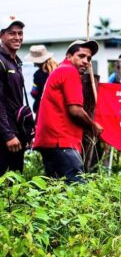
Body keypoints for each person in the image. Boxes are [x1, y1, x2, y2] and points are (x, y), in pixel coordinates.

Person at [33, 40, 104, 183]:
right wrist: (93, 126)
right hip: (62, 141)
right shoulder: (69, 71)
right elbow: (75, 111)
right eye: (81, 56)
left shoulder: (59, 70)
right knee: (78, 188)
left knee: (56, 191)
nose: (86, 61)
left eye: (89, 58)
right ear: (69, 56)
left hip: (50, 141)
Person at [0, 16, 28, 175]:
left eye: (20, 33)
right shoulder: (1, 61)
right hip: (5, 135)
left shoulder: (16, 62)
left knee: (16, 182)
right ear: (1, 35)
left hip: (17, 134)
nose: (17, 37)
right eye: (12, 33)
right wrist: (8, 134)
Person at [24, 45, 58, 114]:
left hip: (42, 109)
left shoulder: (38, 74)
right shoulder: (58, 69)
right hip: (56, 107)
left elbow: (34, 93)